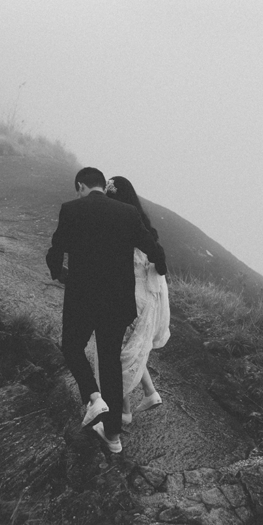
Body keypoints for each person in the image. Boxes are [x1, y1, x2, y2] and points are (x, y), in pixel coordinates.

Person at [46, 167, 167, 453]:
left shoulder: (71, 209)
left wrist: (58, 273)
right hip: (117, 301)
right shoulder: (127, 214)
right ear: (102, 185)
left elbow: (56, 249)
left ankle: (93, 396)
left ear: (81, 186)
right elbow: (154, 249)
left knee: (72, 346)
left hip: (82, 297)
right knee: (110, 361)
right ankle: (113, 437)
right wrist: (159, 268)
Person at [87, 176, 170, 425]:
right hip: (146, 297)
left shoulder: (117, 223)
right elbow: (158, 262)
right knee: (133, 347)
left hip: (128, 295)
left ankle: (122, 413)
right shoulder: (143, 225)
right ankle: (149, 392)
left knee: (115, 353)